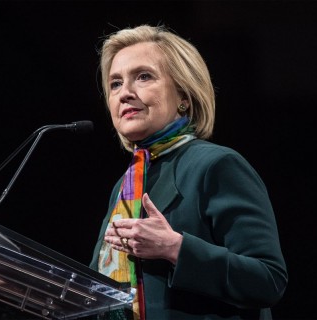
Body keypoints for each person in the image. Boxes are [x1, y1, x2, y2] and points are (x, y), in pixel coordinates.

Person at [89, 25, 288, 320]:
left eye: (143, 76)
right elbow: (94, 288)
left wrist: (176, 249)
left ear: (184, 94)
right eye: (115, 83)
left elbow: (268, 280)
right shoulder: (125, 187)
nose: (125, 93)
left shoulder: (217, 165)